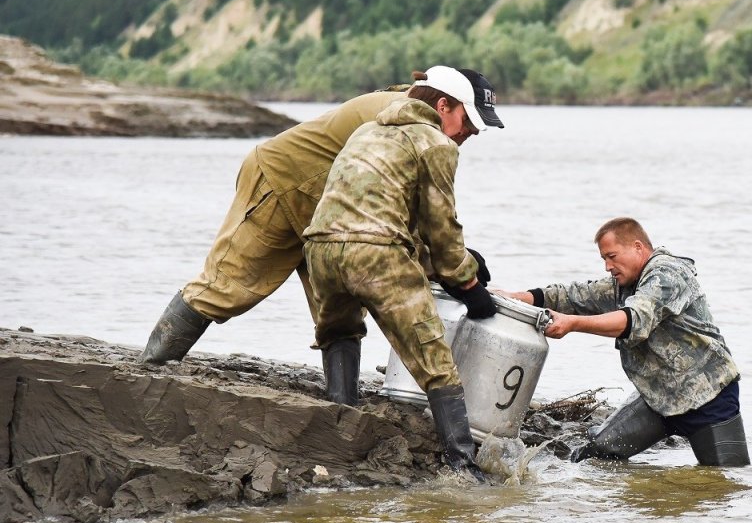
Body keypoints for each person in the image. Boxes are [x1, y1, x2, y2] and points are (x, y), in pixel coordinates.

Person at [302, 66, 504, 480]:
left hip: (319, 248)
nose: (472, 133)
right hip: (376, 254)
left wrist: (446, 263)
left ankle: (341, 421)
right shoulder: (436, 143)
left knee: (339, 330)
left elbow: (386, 214)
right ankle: (464, 469)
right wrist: (469, 285)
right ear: (443, 106)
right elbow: (442, 233)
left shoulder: (367, 132)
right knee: (435, 360)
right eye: (469, 121)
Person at [139, 84, 413, 364]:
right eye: (462, 120)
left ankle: (343, 405)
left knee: (341, 309)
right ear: (444, 104)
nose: (462, 134)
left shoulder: (414, 115)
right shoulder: (401, 116)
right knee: (224, 287)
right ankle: (152, 366)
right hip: (282, 182)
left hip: (325, 207)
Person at [496, 217, 750, 467]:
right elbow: (573, 296)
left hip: (709, 398)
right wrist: (517, 297)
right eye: (603, 259)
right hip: (658, 399)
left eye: (612, 256)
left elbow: (633, 320)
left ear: (638, 247)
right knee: (596, 455)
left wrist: (572, 324)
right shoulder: (625, 284)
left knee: (723, 481)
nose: (607, 266)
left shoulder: (667, 275)